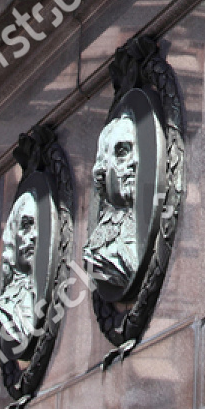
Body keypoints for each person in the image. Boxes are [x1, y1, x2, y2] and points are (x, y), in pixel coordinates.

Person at [84, 112, 144, 297]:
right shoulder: (99, 253)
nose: (134, 161)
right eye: (122, 152)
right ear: (103, 168)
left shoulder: (146, 225)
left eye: (137, 152)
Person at [0, 190, 39, 356]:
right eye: (26, 226)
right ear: (13, 235)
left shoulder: (37, 290)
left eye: (36, 227)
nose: (33, 235)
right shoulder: (6, 310)